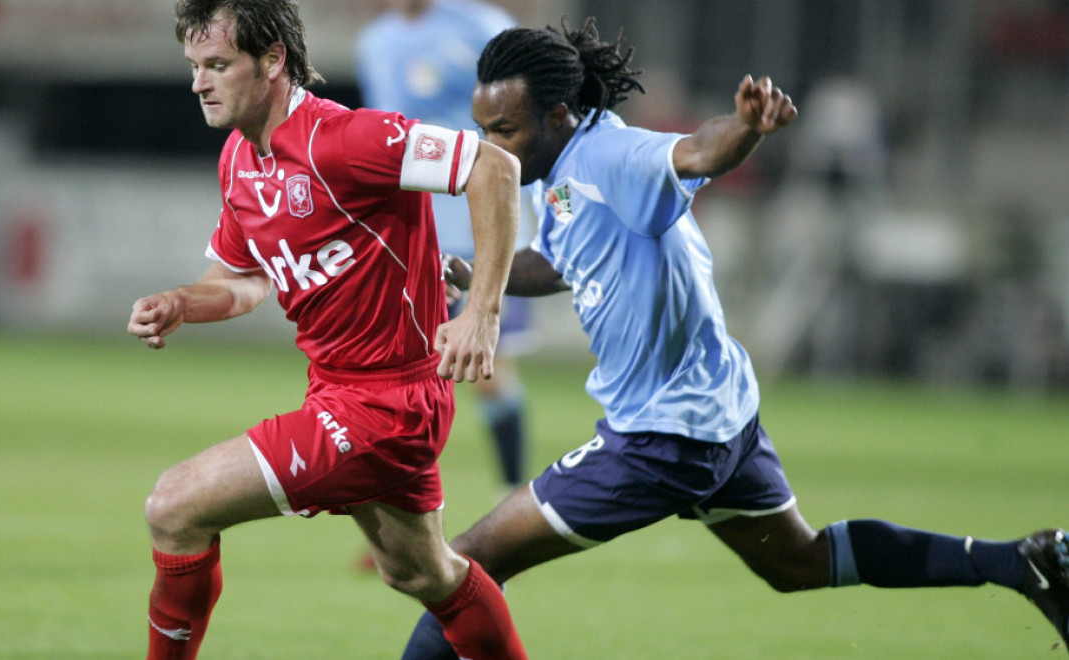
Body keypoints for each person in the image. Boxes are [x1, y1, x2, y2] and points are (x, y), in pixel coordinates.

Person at [401, 17, 1069, 659]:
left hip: (659, 439)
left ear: (557, 115)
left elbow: (696, 149)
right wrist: (475, 272)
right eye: (485, 129)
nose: (493, 147)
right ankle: (1025, 563)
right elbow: (558, 262)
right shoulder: (564, 180)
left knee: (467, 562)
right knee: (800, 562)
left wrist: (747, 128)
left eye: (506, 130)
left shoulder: (612, 156)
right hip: (719, 418)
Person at [127, 1, 530, 658]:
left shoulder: (347, 140)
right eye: (195, 66)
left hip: (387, 403)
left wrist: (481, 314)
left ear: (273, 60)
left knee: (174, 504)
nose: (200, 82)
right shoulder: (240, 160)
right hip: (344, 394)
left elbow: (494, 169)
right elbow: (245, 280)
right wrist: (181, 302)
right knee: (423, 573)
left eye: (219, 65)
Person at [357, 0, 534, 494]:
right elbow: (379, 137)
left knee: (483, 369)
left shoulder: (482, 27)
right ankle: (399, 511)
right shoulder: (376, 41)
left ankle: (513, 498)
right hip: (407, 230)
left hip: (476, 226)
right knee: (395, 369)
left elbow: (525, 120)